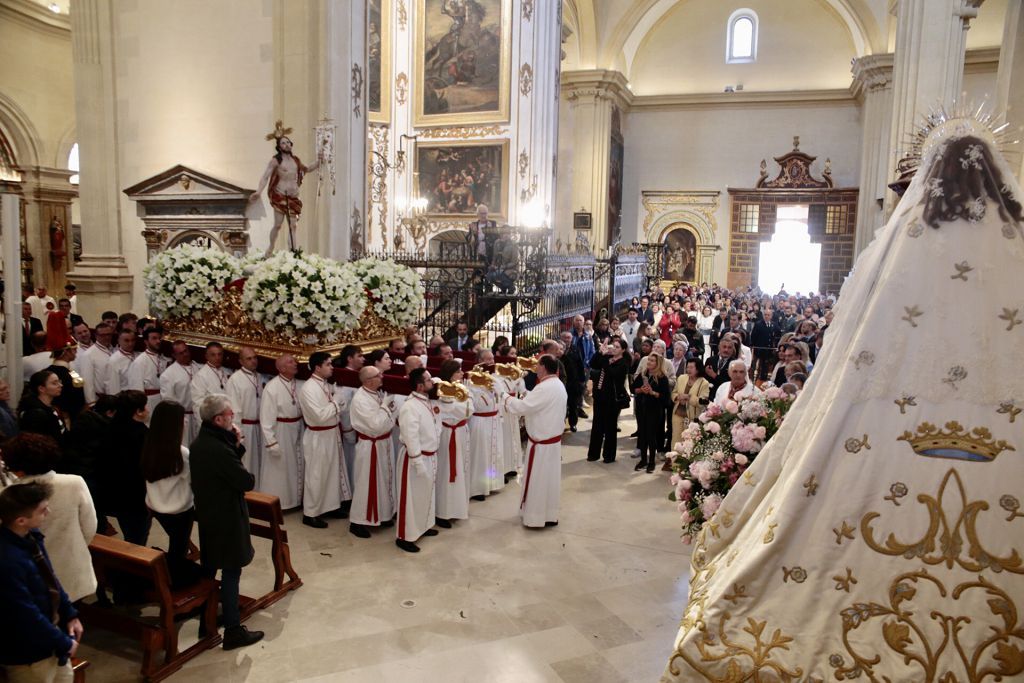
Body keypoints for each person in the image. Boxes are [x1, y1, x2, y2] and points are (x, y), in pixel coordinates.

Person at [189, 394, 263, 650]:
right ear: (219, 419)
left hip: (210, 514)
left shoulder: (202, 442)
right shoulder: (218, 448)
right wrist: (237, 444)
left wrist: (236, 443)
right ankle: (233, 630)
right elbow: (244, 481)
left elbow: (226, 469)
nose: (233, 418)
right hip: (227, 516)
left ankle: (205, 622)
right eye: (230, 414)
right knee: (231, 571)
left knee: (210, 568)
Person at [0, 481, 84, 682]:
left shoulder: (31, 537)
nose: (49, 512)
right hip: (28, 652)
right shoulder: (7, 560)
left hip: (51, 639)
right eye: (43, 510)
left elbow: (50, 579)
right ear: (21, 520)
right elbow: (23, 613)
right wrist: (62, 642)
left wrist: (70, 614)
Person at [1, 433, 97, 603]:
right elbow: (89, 526)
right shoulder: (74, 483)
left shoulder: (8, 495)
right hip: (72, 564)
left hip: (31, 572)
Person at [501, 354, 567, 528]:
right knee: (549, 481)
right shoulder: (557, 384)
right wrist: (524, 392)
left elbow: (522, 407)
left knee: (539, 481)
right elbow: (538, 403)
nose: (535, 368)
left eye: (538, 365)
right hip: (551, 443)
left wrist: (503, 395)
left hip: (542, 445)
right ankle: (549, 515)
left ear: (544, 367)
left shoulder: (544, 388)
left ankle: (535, 518)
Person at [140, 401, 199, 588]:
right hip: (180, 510)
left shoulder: (149, 445)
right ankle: (175, 585)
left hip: (154, 506)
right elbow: (195, 481)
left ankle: (172, 575)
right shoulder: (181, 454)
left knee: (177, 546)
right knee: (178, 550)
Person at [297, 352, 349, 529]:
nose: (332, 367)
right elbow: (319, 416)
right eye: (328, 364)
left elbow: (333, 410)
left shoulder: (325, 384)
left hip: (331, 433)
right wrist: (336, 402)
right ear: (317, 367)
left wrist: (337, 403)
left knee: (332, 472)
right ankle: (310, 513)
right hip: (318, 436)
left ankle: (330, 506)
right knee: (316, 475)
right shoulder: (308, 388)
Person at [250, 130, 321, 256]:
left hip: (293, 198)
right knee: (278, 225)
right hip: (280, 195)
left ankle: (293, 253)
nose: (287, 144)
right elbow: (265, 176)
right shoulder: (276, 161)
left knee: (293, 226)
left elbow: (307, 169)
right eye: (283, 143)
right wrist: (258, 191)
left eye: (288, 142)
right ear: (279, 146)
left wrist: (319, 161)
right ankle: (270, 248)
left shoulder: (296, 161)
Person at [395, 368, 441, 553]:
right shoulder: (410, 406)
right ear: (420, 386)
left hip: (430, 455)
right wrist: (417, 461)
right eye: (429, 380)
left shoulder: (426, 401)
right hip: (416, 458)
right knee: (411, 498)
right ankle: (405, 537)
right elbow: (410, 435)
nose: (433, 382)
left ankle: (423, 526)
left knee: (425, 494)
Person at [348, 366, 397, 539]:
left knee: (384, 480)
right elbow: (375, 425)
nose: (382, 376)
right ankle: (358, 521)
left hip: (383, 442)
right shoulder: (360, 399)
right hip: (370, 446)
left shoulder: (376, 393)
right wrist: (385, 407)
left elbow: (387, 420)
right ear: (368, 381)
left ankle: (382, 515)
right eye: (378, 375)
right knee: (366, 483)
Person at [258, 354, 303, 511]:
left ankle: (295, 501)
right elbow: (266, 418)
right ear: (282, 368)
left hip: (297, 427)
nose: (295, 363)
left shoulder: (298, 384)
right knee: (280, 469)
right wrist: (271, 442)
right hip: (281, 431)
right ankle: (280, 503)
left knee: (295, 467)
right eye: (291, 362)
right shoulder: (272, 387)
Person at [106, 391, 150, 545]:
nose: (147, 410)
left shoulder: (112, 427)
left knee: (130, 533)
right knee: (137, 538)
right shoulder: (140, 434)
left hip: (118, 491)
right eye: (145, 407)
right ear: (137, 412)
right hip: (136, 495)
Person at [435, 360, 471, 527]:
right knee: (446, 470)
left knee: (460, 469)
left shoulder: (462, 390)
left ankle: (457, 508)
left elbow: (470, 410)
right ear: (450, 374)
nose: (462, 374)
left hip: (461, 432)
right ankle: (443, 512)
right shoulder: (440, 391)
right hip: (447, 434)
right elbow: (441, 410)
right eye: (458, 372)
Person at [225, 347, 264, 486]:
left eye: (255, 357)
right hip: (245, 427)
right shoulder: (235, 379)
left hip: (259, 426)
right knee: (248, 462)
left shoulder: (258, 376)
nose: (253, 361)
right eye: (249, 358)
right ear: (240, 361)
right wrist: (238, 433)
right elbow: (234, 408)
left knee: (259, 463)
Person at [587, 338, 630, 463]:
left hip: (612, 399)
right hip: (600, 396)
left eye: (617, 347)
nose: (614, 349)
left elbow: (612, 374)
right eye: (613, 346)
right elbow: (593, 364)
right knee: (597, 425)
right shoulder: (607, 358)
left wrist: (605, 357)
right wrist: (600, 352)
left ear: (622, 350)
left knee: (610, 427)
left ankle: (609, 456)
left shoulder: (623, 363)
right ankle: (593, 454)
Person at [467, 367, 503, 500]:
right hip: (480, 422)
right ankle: (478, 488)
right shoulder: (471, 387)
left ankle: (492, 483)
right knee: (481, 455)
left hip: (493, 421)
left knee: (494, 452)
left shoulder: (492, 383)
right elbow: (475, 406)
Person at [633, 353, 670, 473]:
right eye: (648, 360)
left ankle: (652, 461)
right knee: (642, 435)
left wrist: (652, 393)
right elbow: (634, 388)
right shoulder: (643, 374)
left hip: (654, 410)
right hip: (642, 408)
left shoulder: (662, 378)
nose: (649, 362)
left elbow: (666, 398)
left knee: (651, 436)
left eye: (652, 361)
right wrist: (641, 390)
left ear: (658, 363)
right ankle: (643, 460)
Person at [160, 341, 200, 446]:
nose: (185, 354)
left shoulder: (196, 368)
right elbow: (168, 401)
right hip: (182, 418)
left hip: (197, 417)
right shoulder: (168, 375)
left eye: (186, 351)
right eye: (181, 353)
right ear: (174, 355)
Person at [18, 370, 68, 449]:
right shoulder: (35, 414)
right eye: (54, 383)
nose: (60, 385)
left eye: (59, 382)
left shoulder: (53, 407)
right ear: (41, 388)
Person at [670, 358, 709, 456]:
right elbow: (673, 393)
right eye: (687, 367)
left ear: (698, 369)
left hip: (692, 417)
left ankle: (687, 465)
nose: (689, 369)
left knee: (689, 442)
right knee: (676, 439)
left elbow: (702, 402)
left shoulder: (704, 383)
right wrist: (677, 397)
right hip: (678, 413)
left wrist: (689, 398)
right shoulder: (681, 378)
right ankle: (675, 463)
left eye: (692, 367)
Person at [127, 326, 169, 420]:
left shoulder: (160, 358)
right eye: (154, 338)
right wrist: (141, 408)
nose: (158, 341)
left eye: (159, 338)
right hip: (148, 403)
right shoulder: (140, 362)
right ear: (146, 341)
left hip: (161, 400)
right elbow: (136, 389)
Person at [190, 342, 231, 415]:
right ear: (206, 356)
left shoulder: (227, 372)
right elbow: (198, 405)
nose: (217, 358)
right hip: (212, 420)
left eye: (219, 354)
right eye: (213, 355)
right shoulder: (201, 376)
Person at [80, 323, 113, 404]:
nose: (106, 337)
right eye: (102, 335)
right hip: (100, 400)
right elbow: (87, 383)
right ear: (96, 335)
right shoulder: (88, 354)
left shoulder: (114, 350)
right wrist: (91, 403)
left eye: (109, 334)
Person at [102, 329, 137, 396]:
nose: (130, 343)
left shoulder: (138, 355)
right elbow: (112, 387)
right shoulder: (114, 360)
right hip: (124, 399)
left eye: (133, 340)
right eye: (126, 340)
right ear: (119, 341)